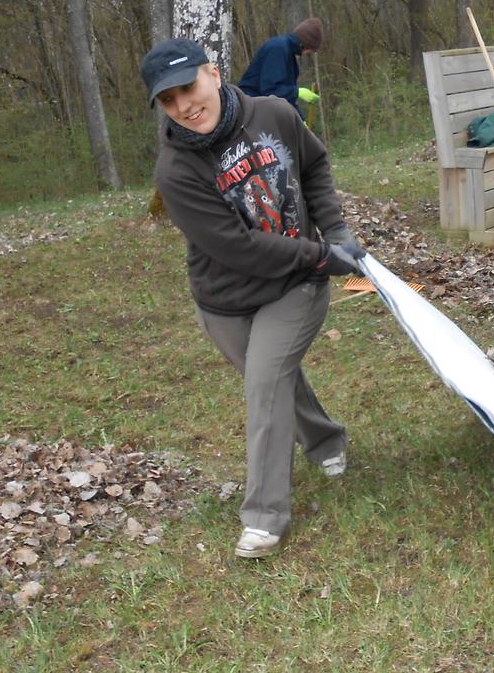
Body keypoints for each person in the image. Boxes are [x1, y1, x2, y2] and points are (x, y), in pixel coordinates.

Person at [142, 36, 364, 559]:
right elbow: (238, 248)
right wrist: (320, 255)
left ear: (213, 73)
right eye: (168, 101)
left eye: (187, 88)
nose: (183, 106)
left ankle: (264, 516)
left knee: (265, 382)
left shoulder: (275, 114)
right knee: (273, 376)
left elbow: (313, 166)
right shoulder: (176, 171)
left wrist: (335, 230)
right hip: (225, 299)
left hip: (294, 287)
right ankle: (327, 439)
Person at [239, 17, 324, 117]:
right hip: (251, 111)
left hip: (263, 110)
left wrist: (299, 121)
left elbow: (286, 99)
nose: (309, 53)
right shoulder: (278, 49)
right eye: (311, 50)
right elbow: (270, 91)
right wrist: (297, 92)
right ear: (305, 44)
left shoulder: (288, 53)